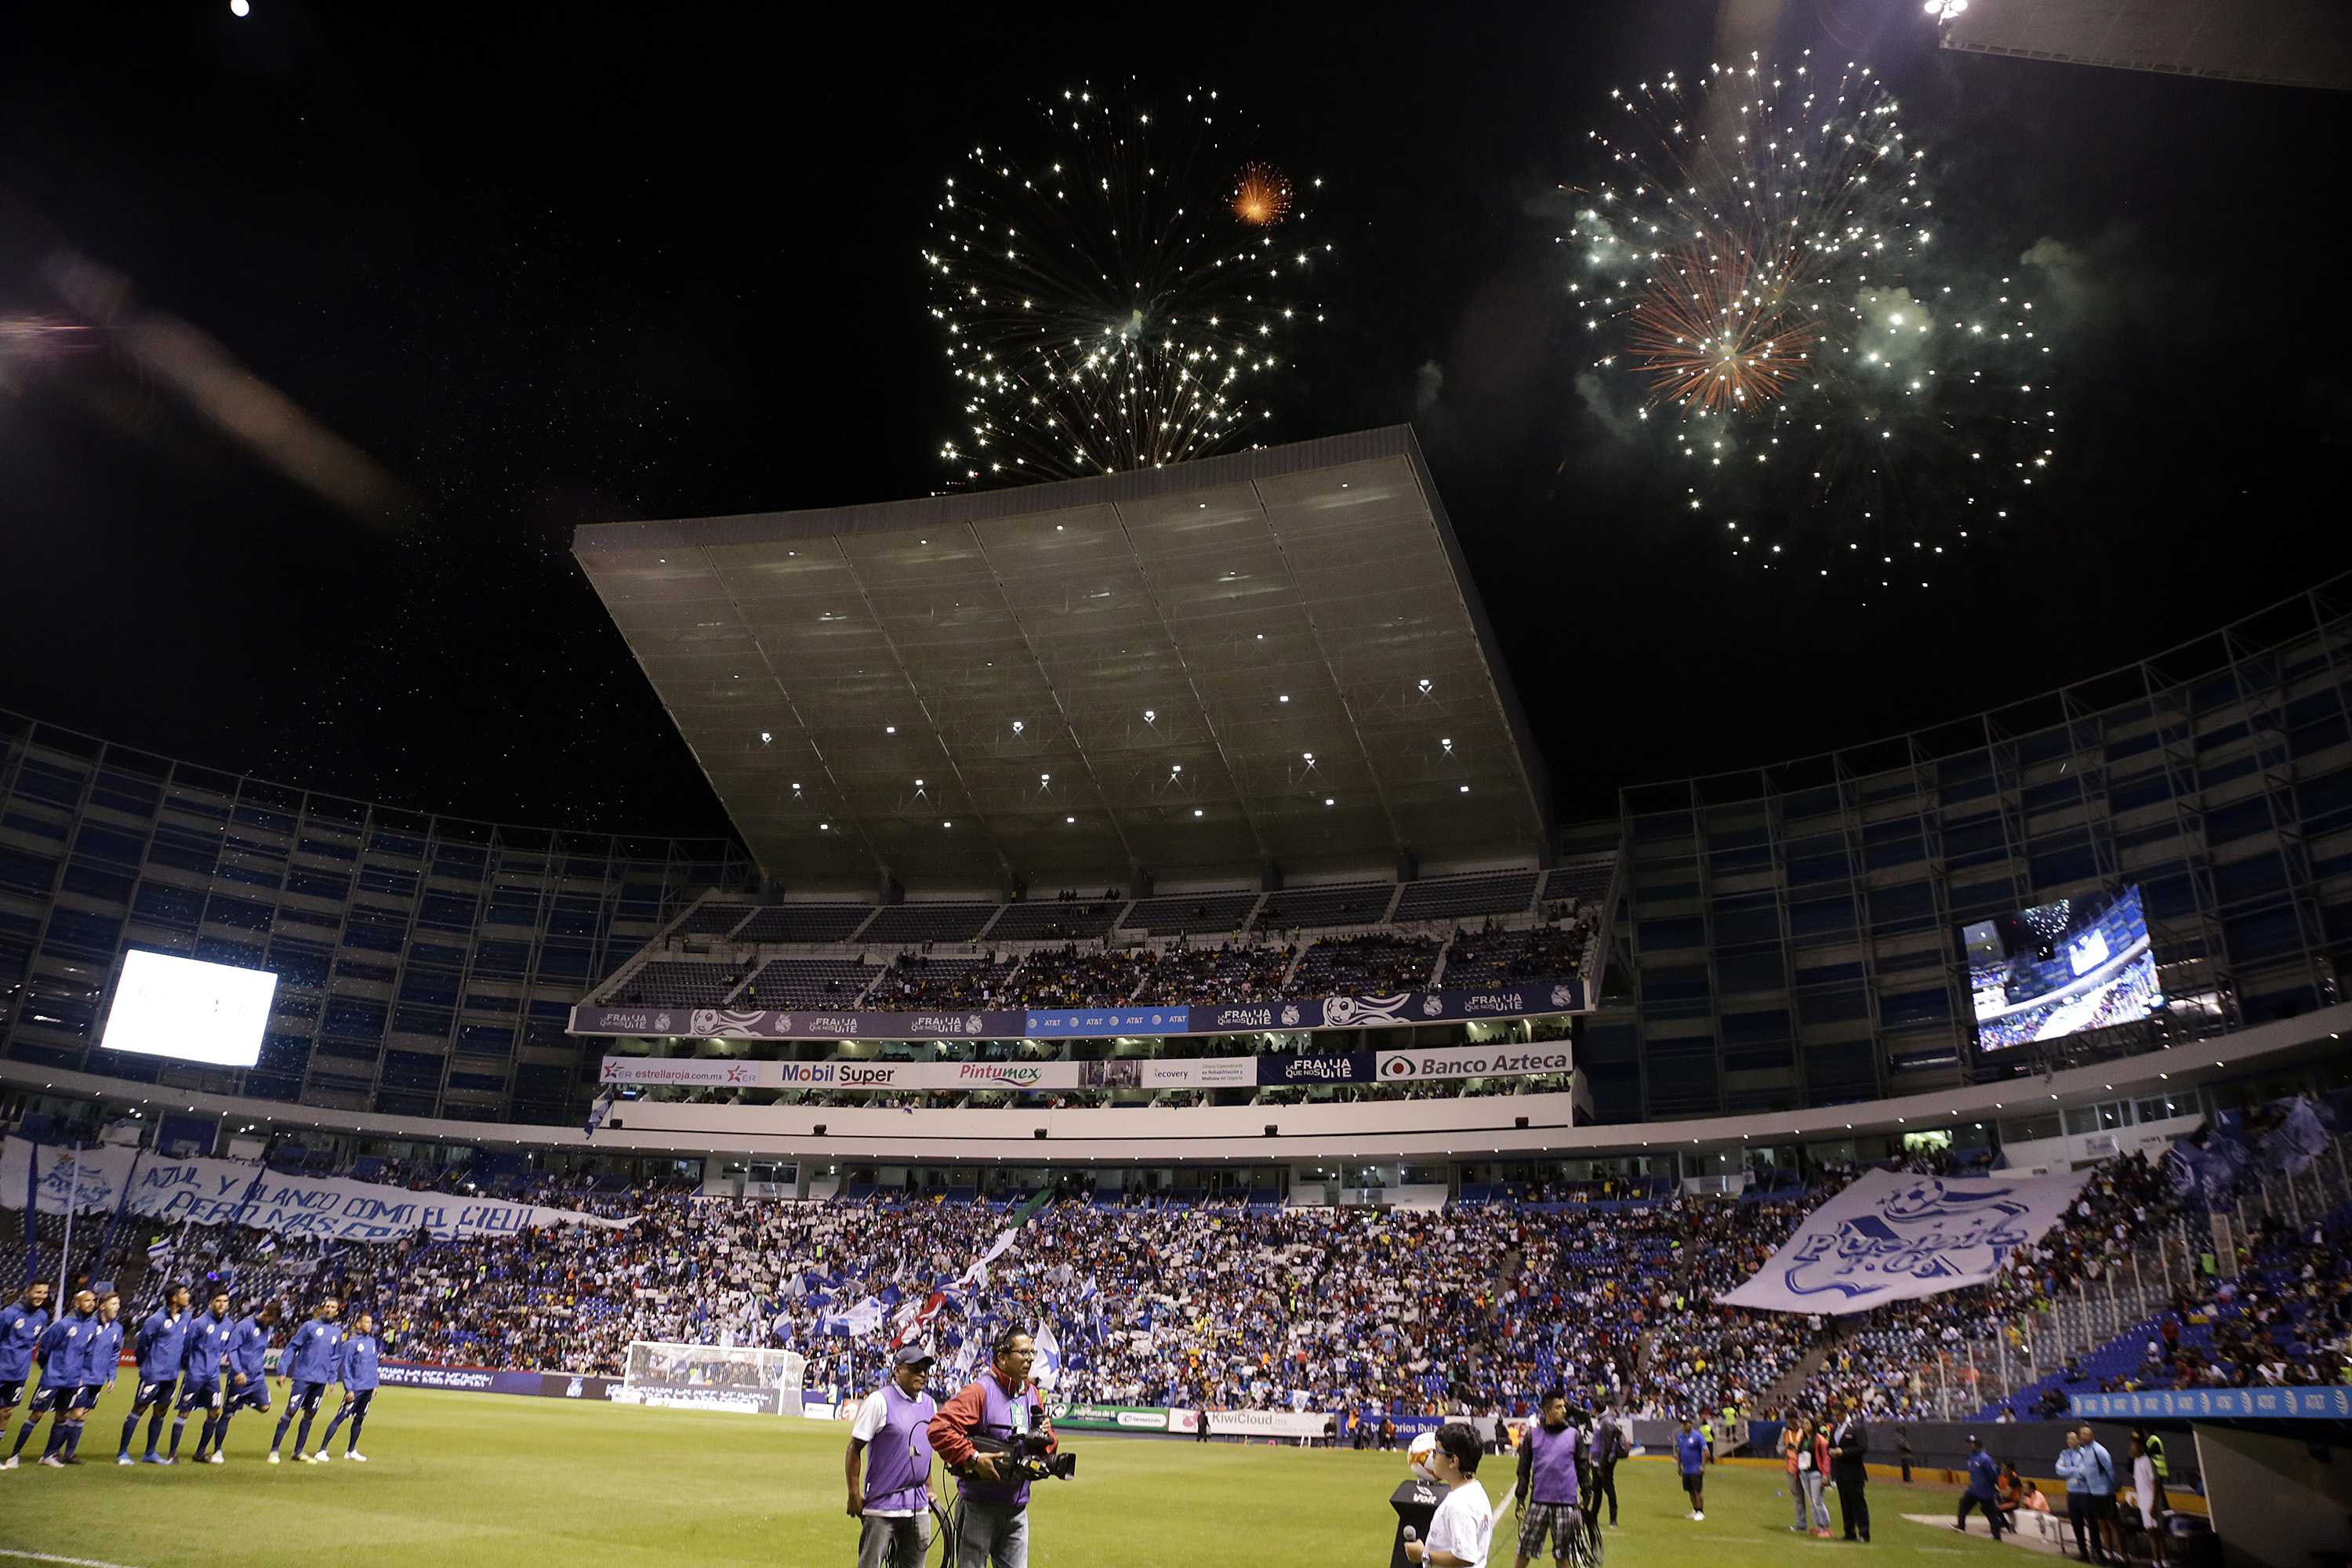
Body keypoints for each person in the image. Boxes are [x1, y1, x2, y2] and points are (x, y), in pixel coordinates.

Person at [927, 1327, 1058, 1568]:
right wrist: (974, 1458)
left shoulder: (1031, 1394)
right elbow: (938, 1429)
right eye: (1023, 1352)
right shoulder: (979, 1391)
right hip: (980, 1506)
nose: (1030, 1358)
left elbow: (1047, 1444)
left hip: (1018, 1507)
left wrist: (1047, 1439)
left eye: (1032, 1352)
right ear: (1002, 1357)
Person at [847, 1346, 940, 1568]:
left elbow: (925, 1452)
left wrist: (928, 1488)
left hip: (918, 1507)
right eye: (915, 1368)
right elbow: (854, 1448)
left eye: (925, 1369)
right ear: (897, 1371)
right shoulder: (879, 1401)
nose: (922, 1374)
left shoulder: (930, 1404)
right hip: (882, 1506)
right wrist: (854, 1495)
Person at [120, 1283, 191, 1465]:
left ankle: (150, 1453)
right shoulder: (156, 1319)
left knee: (161, 1411)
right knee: (140, 1408)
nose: (188, 1296)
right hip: (153, 1373)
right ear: (174, 1298)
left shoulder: (186, 1318)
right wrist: (146, 1364)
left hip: (171, 1375)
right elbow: (142, 1344)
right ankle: (122, 1453)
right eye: (185, 1293)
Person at [1511, 1389, 1583, 1568]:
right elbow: (1524, 1469)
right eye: (1559, 1407)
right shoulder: (1532, 1436)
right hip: (1539, 1502)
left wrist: (1587, 1494)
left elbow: (1582, 1468)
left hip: (1566, 1504)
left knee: (1564, 1556)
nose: (1564, 1410)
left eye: (1564, 1406)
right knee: (1523, 1550)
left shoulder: (1574, 1435)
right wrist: (1521, 1498)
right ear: (1547, 1411)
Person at [1405, 1423, 1494, 1568]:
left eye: (1437, 1452)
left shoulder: (1460, 1504)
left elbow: (1464, 1557)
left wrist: (1423, 1555)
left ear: (1454, 1461)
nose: (1432, 1457)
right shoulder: (1474, 1490)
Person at [271, 1296, 343, 1463]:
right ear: (322, 1308)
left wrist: (332, 1380)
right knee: (291, 1410)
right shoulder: (309, 1326)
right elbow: (292, 1347)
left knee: (310, 1414)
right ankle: (274, 1450)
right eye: (327, 1306)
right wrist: (283, 1370)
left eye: (333, 1307)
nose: (329, 1309)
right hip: (303, 1377)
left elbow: (335, 1357)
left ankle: (299, 1452)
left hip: (320, 1380)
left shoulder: (337, 1333)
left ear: (337, 1311)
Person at [209, 1300, 281, 1460]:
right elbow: (232, 1349)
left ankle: (244, 1401)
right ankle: (218, 1451)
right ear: (265, 1313)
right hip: (239, 1379)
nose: (271, 1324)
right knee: (227, 1413)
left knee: (265, 1407)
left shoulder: (268, 1329)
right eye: (271, 1320)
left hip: (257, 1378)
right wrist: (238, 1371)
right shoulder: (244, 1326)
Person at [172, 1287, 236, 1463]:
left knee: (215, 1412)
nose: (222, 1304)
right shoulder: (199, 1323)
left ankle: (200, 1452)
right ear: (211, 1303)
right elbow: (187, 1347)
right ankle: (173, 1453)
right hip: (195, 1375)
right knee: (184, 1412)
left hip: (213, 1377)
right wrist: (190, 1366)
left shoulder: (229, 1325)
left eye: (225, 1301)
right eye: (218, 1301)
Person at [0, 1280, 53, 1467]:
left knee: (7, 1412)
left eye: (45, 1293)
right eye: (38, 1292)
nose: (41, 1296)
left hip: (19, 1373)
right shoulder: (9, 1314)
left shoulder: (43, 1317)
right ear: (27, 1292)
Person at [316, 1311, 380, 1461]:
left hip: (368, 1387)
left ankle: (351, 1450)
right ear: (358, 1324)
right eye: (366, 1322)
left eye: (371, 1322)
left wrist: (375, 1384)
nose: (369, 1325)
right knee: (341, 1417)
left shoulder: (371, 1342)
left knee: (359, 1419)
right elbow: (345, 1367)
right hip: (356, 1388)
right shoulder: (351, 1344)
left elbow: (374, 1364)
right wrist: (349, 1389)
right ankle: (322, 1450)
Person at [2057, 1425, 2119, 1565]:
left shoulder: (2089, 1452)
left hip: (2090, 1493)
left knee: (2098, 1524)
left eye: (2073, 1437)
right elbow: (2059, 1470)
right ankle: (2084, 1551)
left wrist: (2115, 1487)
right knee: (2078, 1522)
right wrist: (2075, 1470)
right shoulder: (2065, 1454)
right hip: (2075, 1493)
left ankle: (2102, 1552)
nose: (2071, 1440)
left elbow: (2087, 1471)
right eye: (2068, 1438)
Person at [1828, 1399, 1871, 1543]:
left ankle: (1864, 1533)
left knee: (1858, 1503)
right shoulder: (1835, 1429)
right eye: (1834, 1415)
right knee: (1845, 1504)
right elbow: (1832, 1445)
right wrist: (1832, 1451)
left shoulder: (1856, 1428)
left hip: (1854, 1472)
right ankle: (1849, 1531)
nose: (1836, 1418)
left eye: (1838, 1415)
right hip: (1840, 1473)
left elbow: (1862, 1447)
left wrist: (1844, 1452)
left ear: (1844, 1413)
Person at [1955, 1436, 2004, 1541]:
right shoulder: (1972, 1457)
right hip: (1974, 1489)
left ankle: (1997, 1536)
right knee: (1963, 1505)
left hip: (1985, 1491)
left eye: (1972, 1444)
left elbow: (1993, 1475)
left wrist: (1990, 1486)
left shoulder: (1985, 1459)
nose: (1970, 1446)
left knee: (1991, 1513)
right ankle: (1961, 1527)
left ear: (1978, 1445)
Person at [2129, 1435, 2166, 1568]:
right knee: (2151, 1532)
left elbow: (2155, 1483)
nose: (2130, 1449)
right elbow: (2138, 1482)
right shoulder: (2137, 1462)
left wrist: (2154, 1505)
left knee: (2156, 1533)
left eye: (2132, 1446)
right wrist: (2134, 1497)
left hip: (2151, 1502)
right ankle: (2157, 1561)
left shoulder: (2147, 1461)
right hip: (2144, 1503)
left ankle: (2162, 1561)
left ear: (2140, 1447)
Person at [1583, 1403, 1622, 1529]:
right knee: (1597, 1489)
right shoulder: (1602, 1421)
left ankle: (1613, 1519)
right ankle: (1593, 1516)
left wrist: (1602, 1465)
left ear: (1595, 1409)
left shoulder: (1607, 1422)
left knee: (1609, 1489)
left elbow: (1607, 1446)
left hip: (1604, 1463)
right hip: (1596, 1462)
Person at [1675, 1412, 1708, 1521]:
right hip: (1686, 1468)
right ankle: (1695, 1509)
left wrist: (1703, 1466)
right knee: (1690, 1491)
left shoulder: (1698, 1436)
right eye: (1682, 1424)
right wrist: (1679, 1466)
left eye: (1685, 1424)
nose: (1683, 1426)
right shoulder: (1680, 1436)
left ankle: (1701, 1511)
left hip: (1696, 1468)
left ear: (1691, 1424)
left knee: (1698, 1490)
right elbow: (1679, 1451)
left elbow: (1706, 1451)